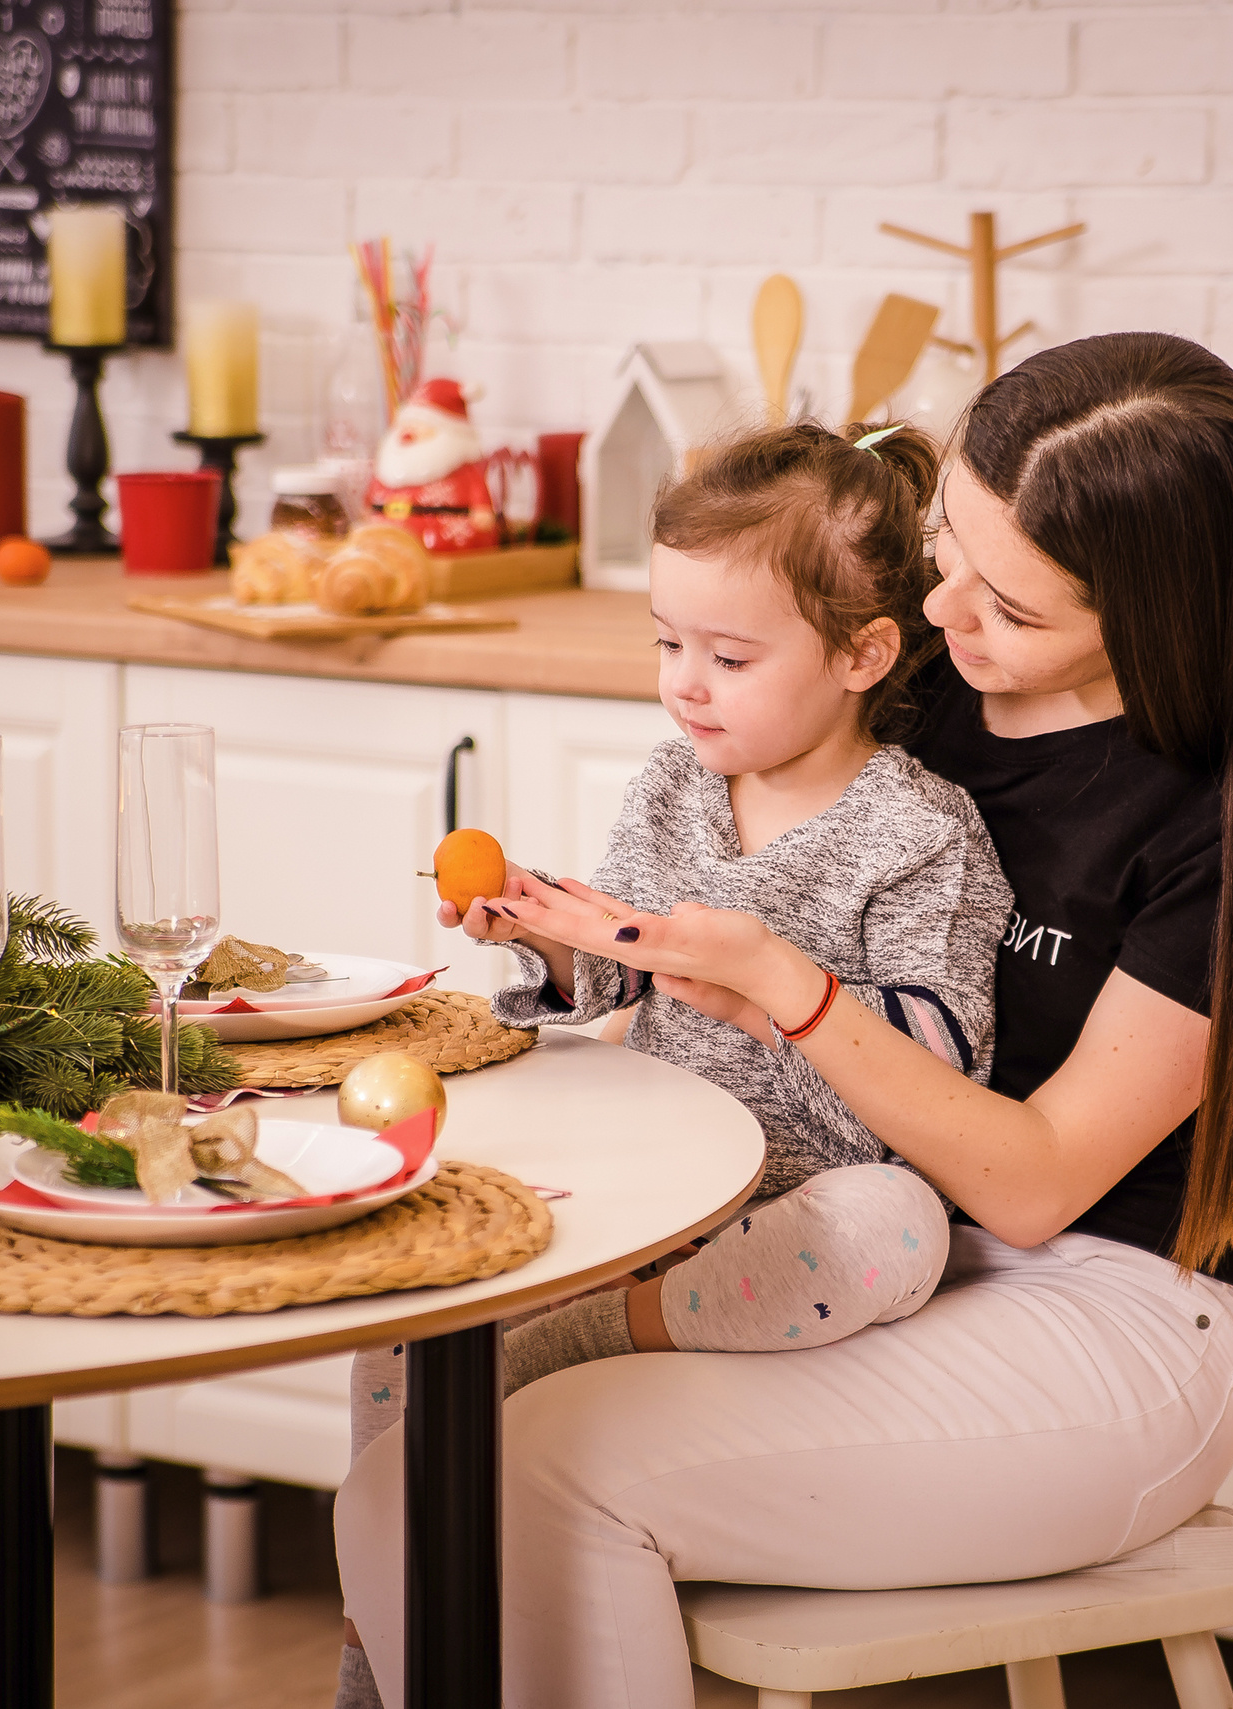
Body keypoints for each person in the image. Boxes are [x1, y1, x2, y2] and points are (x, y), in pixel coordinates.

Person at [335, 333, 1233, 1708]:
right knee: (415, 1434)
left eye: (1010, 605)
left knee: (540, 1470)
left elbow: (1032, 1184)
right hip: (825, 1235)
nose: (943, 609)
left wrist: (788, 989)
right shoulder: (919, 681)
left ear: (1157, 614)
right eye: (947, 546)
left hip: (1104, 1311)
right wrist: (584, 935)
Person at [333, 419, 1011, 1709]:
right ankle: (383, 1669)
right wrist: (542, 934)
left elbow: (942, 1062)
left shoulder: (921, 834)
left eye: (729, 657)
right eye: (667, 645)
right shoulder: (672, 790)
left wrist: (772, 989)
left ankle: (583, 1337)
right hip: (654, 1188)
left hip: (799, 1215)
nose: (686, 686)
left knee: (897, 1223)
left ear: (864, 655)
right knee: (398, 1333)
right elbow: (615, 979)